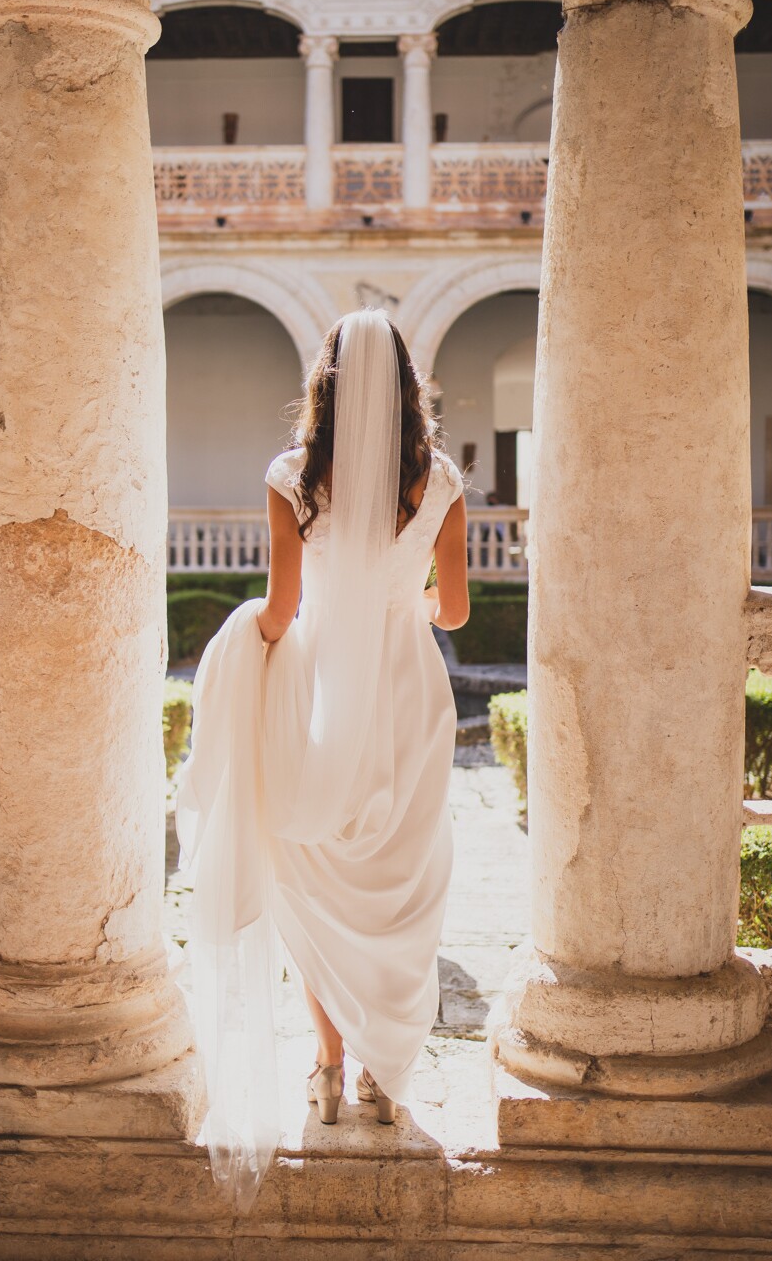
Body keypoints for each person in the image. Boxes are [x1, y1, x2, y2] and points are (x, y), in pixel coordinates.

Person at [177, 308, 469, 1207]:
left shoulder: (295, 477)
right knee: (400, 880)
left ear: (328, 384)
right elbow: (452, 611)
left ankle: (330, 1066)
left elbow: (281, 603)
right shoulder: (443, 480)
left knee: (306, 872)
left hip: (314, 688)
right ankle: (385, 1077)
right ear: (409, 389)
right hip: (409, 694)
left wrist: (242, 642)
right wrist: (402, 608)